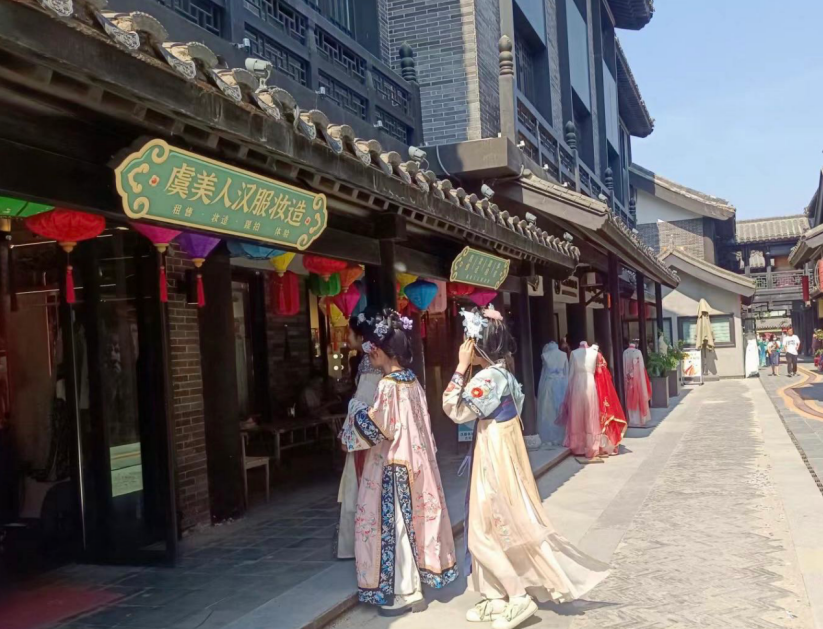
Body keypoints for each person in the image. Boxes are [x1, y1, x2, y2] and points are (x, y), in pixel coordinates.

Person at [443, 307, 609, 629]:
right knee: (495, 523)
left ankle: (517, 595)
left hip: (494, 452)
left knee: (482, 529)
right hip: (502, 446)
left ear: (478, 344)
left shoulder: (487, 377)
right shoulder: (504, 372)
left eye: (468, 341)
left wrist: (460, 368)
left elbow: (455, 409)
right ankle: (495, 594)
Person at [340, 310, 457, 616]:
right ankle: (413, 585)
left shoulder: (388, 385)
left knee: (396, 527)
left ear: (381, 350)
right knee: (412, 522)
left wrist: (356, 410)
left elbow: (377, 428)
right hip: (416, 461)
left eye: (373, 348)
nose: (371, 353)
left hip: (393, 464)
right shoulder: (412, 381)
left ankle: (404, 590)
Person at [336, 312, 384, 560]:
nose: (346, 337)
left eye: (350, 333)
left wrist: (348, 435)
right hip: (377, 434)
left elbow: (362, 404)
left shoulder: (369, 366)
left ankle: (364, 545)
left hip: (366, 438)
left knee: (362, 488)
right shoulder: (369, 362)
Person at [536, 341, 569, 445]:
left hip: (549, 384)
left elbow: (543, 374)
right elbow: (566, 372)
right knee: (556, 409)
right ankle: (559, 435)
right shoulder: (563, 355)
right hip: (561, 383)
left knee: (549, 410)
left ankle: (552, 436)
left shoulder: (546, 355)